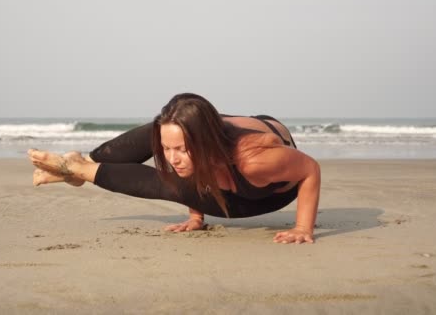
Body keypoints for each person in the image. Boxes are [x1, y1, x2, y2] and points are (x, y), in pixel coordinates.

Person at [28, 93, 321, 244]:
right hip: (216, 145)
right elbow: (196, 168)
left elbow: (310, 170)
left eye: (180, 150)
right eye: (167, 151)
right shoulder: (192, 148)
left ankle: (77, 170)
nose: (171, 158)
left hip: (263, 194)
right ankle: (83, 164)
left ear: (206, 142)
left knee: (172, 183)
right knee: (162, 131)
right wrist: (196, 215)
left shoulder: (255, 160)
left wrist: (302, 227)